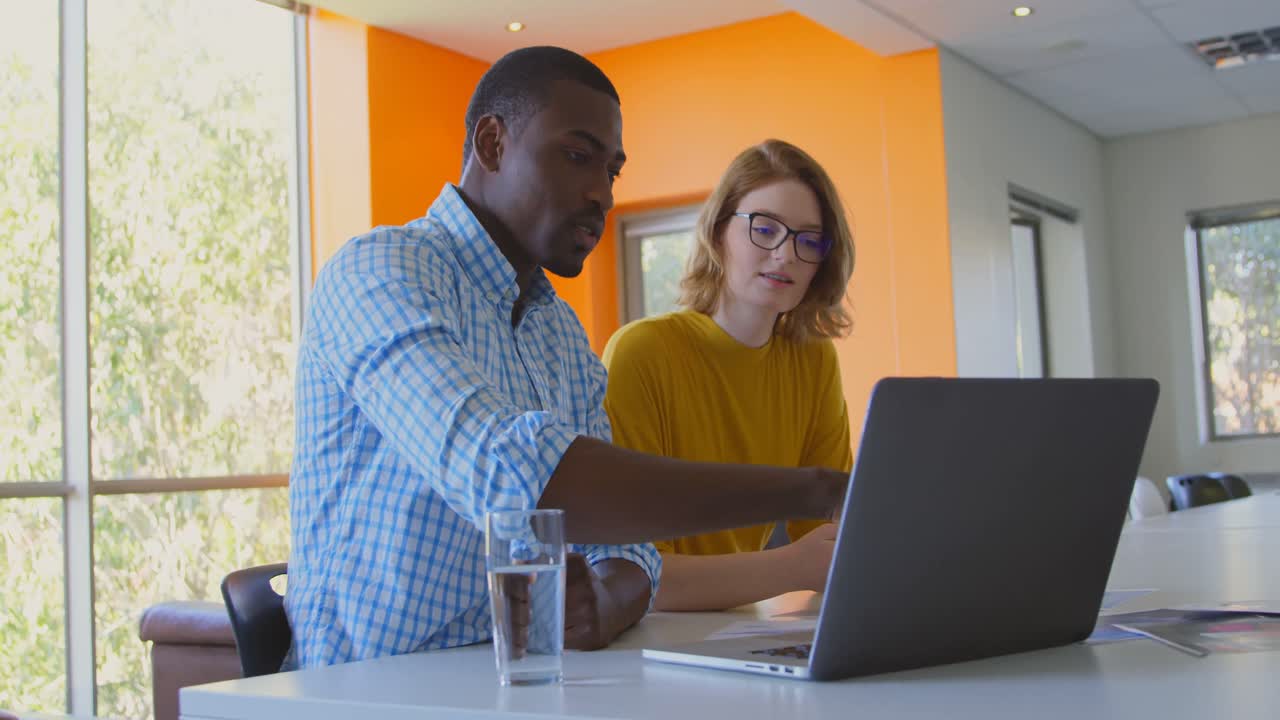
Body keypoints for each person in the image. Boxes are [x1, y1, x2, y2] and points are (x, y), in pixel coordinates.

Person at [284, 48, 848, 669]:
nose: (600, 195)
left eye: (612, 172)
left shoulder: (557, 331)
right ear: (493, 143)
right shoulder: (381, 272)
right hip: (366, 687)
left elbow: (631, 555)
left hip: (514, 683)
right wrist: (811, 490)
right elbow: (512, 474)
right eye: (578, 157)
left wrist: (608, 598)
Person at [603, 139, 856, 611]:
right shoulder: (641, 353)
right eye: (765, 229)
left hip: (740, 629)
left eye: (808, 240)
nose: (786, 255)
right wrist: (793, 566)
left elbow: (834, 536)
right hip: (645, 640)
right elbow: (632, 575)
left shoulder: (814, 360)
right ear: (718, 232)